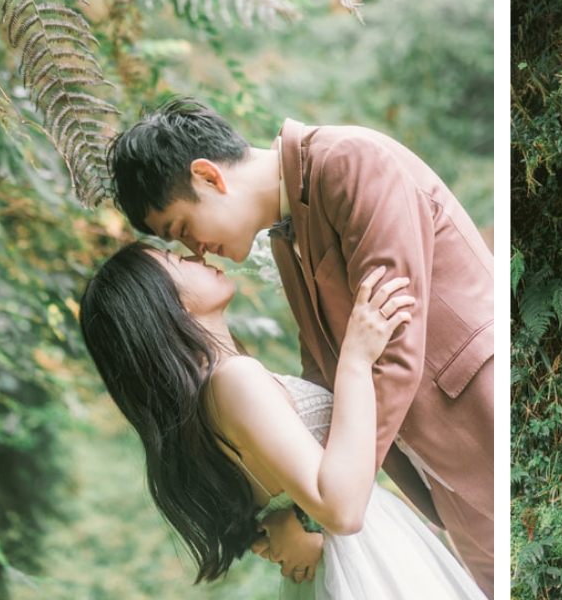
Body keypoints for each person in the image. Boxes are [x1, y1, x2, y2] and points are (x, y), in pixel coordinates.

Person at [107, 98, 495, 595]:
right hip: (440, 477)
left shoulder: (349, 163)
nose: (194, 251)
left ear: (207, 176)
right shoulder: (284, 238)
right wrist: (301, 507)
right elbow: (324, 376)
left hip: (477, 422)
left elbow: (393, 341)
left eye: (183, 230)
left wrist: (323, 514)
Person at [78, 241, 486, 599]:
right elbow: (340, 509)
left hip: (343, 560)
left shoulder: (212, 398)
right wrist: (357, 359)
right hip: (359, 558)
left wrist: (289, 520)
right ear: (164, 304)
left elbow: (293, 486)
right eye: (174, 259)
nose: (193, 254)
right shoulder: (233, 381)